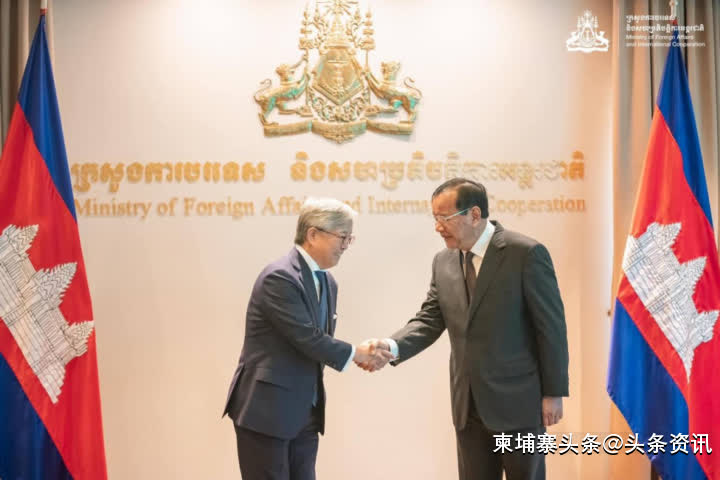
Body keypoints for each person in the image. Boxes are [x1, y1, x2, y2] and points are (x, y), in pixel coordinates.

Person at [360, 178, 569, 480]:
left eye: (445, 218)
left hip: (518, 403)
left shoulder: (525, 253)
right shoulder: (443, 262)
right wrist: (390, 347)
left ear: (474, 214)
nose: (438, 227)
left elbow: (551, 328)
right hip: (467, 405)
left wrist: (554, 391)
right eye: (435, 218)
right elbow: (429, 319)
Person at [223, 197, 393, 480]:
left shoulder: (328, 282)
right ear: (313, 234)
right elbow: (308, 338)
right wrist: (359, 353)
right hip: (267, 411)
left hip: (306, 412)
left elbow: (318, 345)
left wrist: (358, 354)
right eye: (342, 237)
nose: (346, 245)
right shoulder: (279, 277)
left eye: (350, 239)